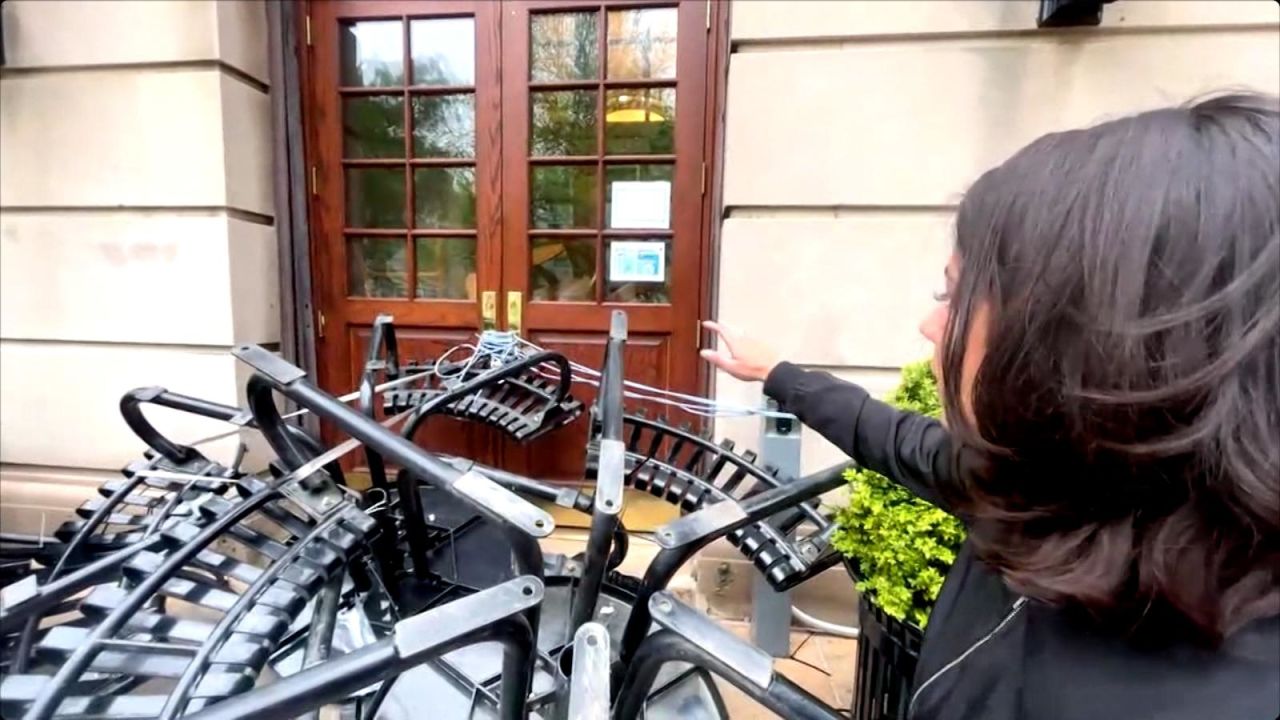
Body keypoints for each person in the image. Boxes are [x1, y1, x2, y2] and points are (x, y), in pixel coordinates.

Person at [702, 93, 1279, 720]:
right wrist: (775, 373)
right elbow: (896, 439)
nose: (930, 325)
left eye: (953, 294)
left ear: (1075, 335)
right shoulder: (1053, 489)